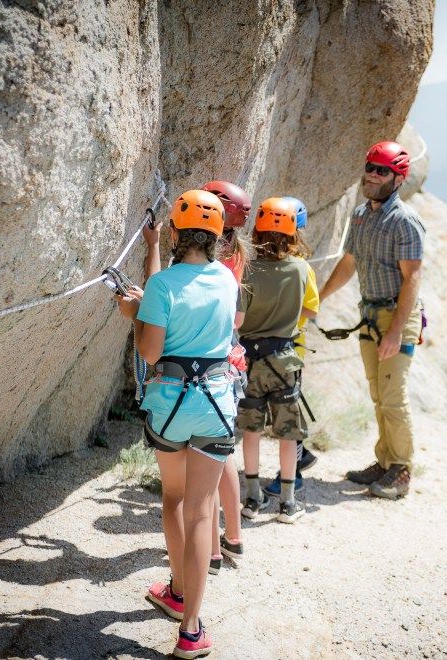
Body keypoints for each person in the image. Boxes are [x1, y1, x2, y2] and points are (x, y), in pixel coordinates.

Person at [116, 189, 239, 658]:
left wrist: (133, 316)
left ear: (175, 231)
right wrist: (150, 258)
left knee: (174, 498)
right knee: (202, 510)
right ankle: (191, 629)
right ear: (217, 237)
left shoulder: (165, 287)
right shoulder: (227, 280)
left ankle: (178, 591)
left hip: (171, 406)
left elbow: (150, 352)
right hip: (216, 403)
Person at [318, 140, 425, 500]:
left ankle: (402, 469)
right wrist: (318, 298)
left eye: (381, 171)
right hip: (369, 314)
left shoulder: (405, 221)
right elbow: (349, 263)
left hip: (396, 315)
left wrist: (396, 330)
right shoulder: (361, 215)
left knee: (393, 397)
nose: (372, 175)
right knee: (379, 395)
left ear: (398, 179)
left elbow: (412, 278)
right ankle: (384, 461)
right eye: (370, 167)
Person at [237, 197, 318, 523]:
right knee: (287, 433)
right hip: (284, 360)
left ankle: (253, 499)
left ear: (257, 231)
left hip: (251, 363)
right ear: (293, 232)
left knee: (251, 431)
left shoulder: (250, 268)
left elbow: (239, 320)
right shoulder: (301, 269)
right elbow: (309, 311)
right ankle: (287, 503)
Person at [201, 180, 251, 573]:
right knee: (223, 451)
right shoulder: (237, 255)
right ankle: (232, 536)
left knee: (208, 458)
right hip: (230, 356)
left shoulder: (212, 261)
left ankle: (214, 552)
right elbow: (237, 318)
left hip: (207, 360)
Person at [263, 196, 319, 499]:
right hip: (281, 349)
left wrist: (282, 313)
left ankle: (293, 474)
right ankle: (301, 457)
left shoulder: (301, 269)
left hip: (288, 350)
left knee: (285, 417)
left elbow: (311, 308)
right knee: (280, 411)